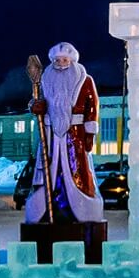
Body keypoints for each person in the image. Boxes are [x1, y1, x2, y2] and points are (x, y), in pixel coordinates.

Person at [25, 42, 103, 223]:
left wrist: (90, 133)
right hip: (51, 135)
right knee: (48, 170)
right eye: (57, 60)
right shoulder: (45, 79)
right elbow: (37, 101)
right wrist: (35, 106)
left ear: (72, 60)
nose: (61, 63)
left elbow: (93, 107)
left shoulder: (85, 80)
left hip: (75, 136)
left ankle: (81, 207)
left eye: (65, 59)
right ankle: (45, 208)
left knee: (78, 170)